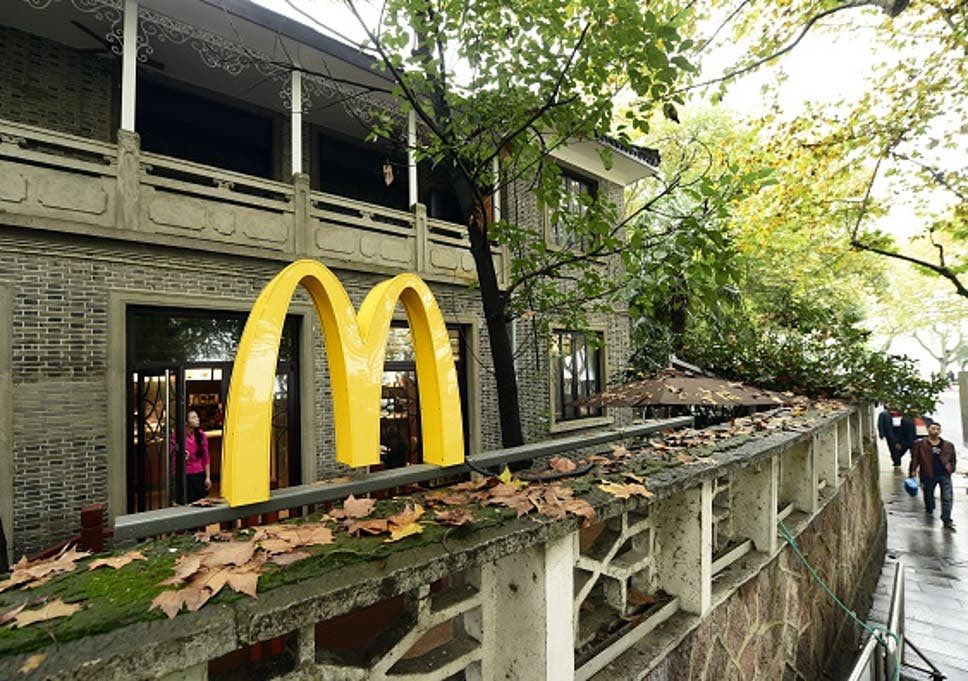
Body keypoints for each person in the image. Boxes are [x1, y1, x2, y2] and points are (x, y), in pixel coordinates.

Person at [908, 422, 957, 531]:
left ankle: (947, 519)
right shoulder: (920, 444)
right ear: (928, 430)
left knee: (947, 497)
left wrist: (951, 468)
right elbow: (915, 458)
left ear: (940, 431)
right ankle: (929, 508)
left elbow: (953, 458)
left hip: (944, 474)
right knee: (928, 494)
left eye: (937, 429)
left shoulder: (948, 445)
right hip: (928, 474)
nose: (935, 431)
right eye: (933, 428)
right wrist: (913, 470)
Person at [172, 410, 211, 503]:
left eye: (197, 417)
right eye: (193, 418)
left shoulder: (201, 435)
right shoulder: (177, 436)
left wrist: (208, 477)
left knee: (201, 503)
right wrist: (182, 457)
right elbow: (173, 456)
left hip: (199, 473)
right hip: (184, 475)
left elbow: (206, 457)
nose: (197, 419)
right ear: (186, 422)